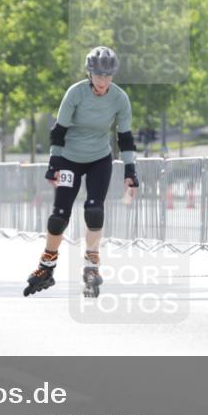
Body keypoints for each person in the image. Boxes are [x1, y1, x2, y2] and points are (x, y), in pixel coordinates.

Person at [23, 46, 139, 297]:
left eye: (108, 76)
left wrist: (130, 169)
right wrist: (54, 163)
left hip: (99, 158)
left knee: (94, 211)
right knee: (59, 216)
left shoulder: (119, 98)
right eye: (99, 75)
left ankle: (92, 266)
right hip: (70, 159)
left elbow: (125, 137)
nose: (103, 81)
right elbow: (59, 131)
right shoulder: (75, 93)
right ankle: (46, 266)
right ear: (89, 73)